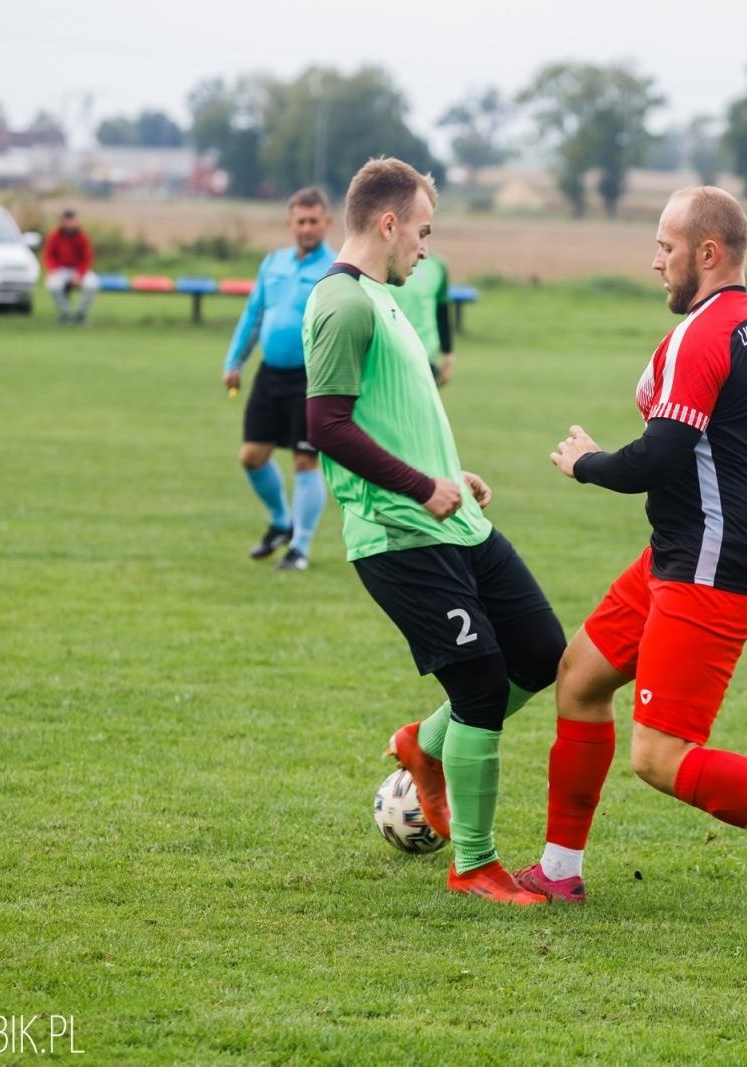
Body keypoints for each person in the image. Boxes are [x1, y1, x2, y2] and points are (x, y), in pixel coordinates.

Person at [512, 187, 747, 938]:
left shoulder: (704, 333)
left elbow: (659, 455)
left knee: (661, 755)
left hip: (709, 568)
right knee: (580, 678)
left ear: (707, 253)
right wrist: (730, 490)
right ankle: (558, 870)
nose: (656, 261)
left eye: (666, 246)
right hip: (679, 553)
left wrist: (586, 463)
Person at [302, 157, 565, 906]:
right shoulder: (342, 302)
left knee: (542, 655)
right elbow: (325, 424)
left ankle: (424, 741)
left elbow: (395, 414)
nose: (426, 244)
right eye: (422, 229)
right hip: (399, 533)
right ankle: (475, 864)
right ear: (387, 223)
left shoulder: (384, 297)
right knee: (481, 683)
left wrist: (453, 471)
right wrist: (421, 486)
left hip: (457, 522)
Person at [222, 188, 337, 571]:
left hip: (313, 378)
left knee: (306, 460)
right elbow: (253, 315)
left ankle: (300, 547)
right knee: (252, 456)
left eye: (314, 221)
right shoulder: (273, 264)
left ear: (327, 223)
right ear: (290, 223)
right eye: (300, 221)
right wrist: (234, 360)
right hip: (269, 375)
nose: (307, 228)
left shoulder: (337, 269)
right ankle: (281, 522)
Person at [394, 251, 456, 387]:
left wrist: (448, 353)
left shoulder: (436, 265)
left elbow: (442, 308)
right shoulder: (381, 264)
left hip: (426, 356)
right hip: (389, 356)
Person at [43, 209, 100, 324]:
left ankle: (81, 314)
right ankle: (65, 313)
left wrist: (79, 275)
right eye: (67, 221)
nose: (69, 224)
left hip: (77, 269)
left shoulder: (82, 237)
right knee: (53, 285)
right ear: (62, 222)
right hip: (60, 269)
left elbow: (87, 258)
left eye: (72, 221)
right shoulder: (55, 236)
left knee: (92, 284)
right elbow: (49, 256)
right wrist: (54, 270)